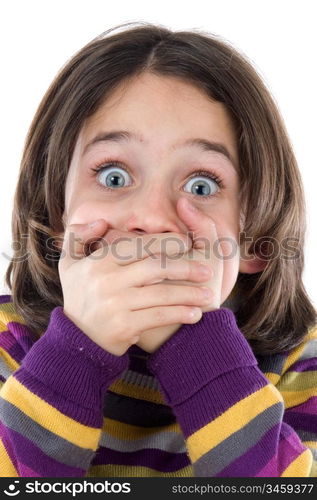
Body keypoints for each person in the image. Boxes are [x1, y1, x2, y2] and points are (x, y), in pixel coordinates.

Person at [0, 22, 316, 478]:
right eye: (113, 176)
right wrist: (78, 352)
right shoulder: (9, 343)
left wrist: (197, 347)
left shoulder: (300, 363)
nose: (150, 217)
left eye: (201, 185)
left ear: (253, 240)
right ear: (56, 219)